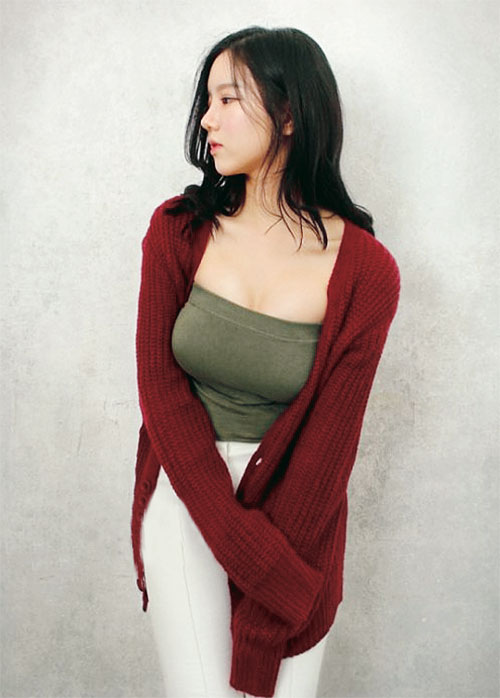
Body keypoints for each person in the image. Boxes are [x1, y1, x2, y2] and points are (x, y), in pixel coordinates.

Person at [131, 26, 401, 698]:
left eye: (228, 99)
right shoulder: (178, 229)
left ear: (287, 114)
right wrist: (241, 548)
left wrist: (271, 591)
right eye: (207, 101)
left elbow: (330, 448)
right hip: (186, 499)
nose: (207, 119)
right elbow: (161, 393)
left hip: (298, 529)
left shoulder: (368, 272)